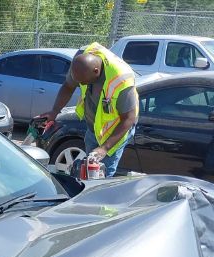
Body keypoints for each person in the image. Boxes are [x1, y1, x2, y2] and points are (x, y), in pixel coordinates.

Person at [36, 42, 138, 177]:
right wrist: (54, 111)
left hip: (115, 129)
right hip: (94, 127)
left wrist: (104, 148)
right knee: (90, 171)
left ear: (96, 71)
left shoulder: (121, 79)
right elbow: (68, 86)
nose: (81, 85)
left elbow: (129, 118)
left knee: (102, 173)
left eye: (83, 82)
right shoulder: (82, 59)